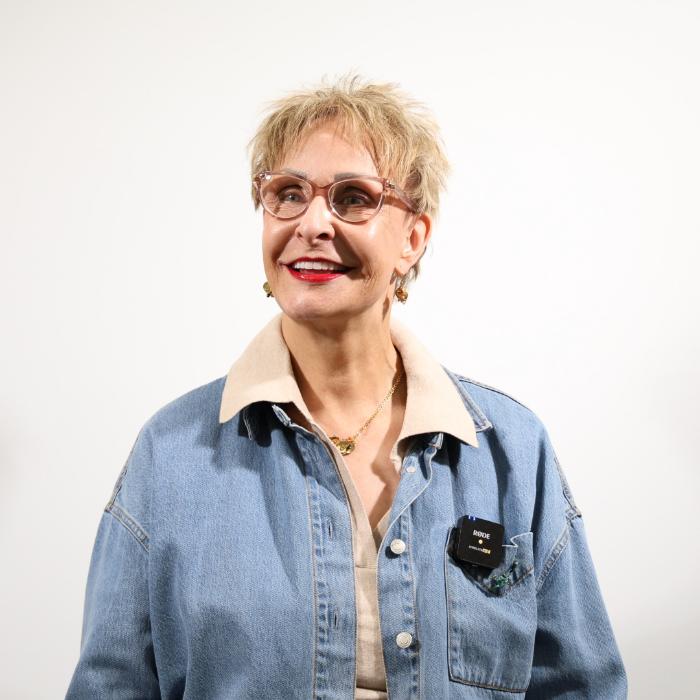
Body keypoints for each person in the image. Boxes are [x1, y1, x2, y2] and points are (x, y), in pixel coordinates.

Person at [66, 74, 627, 699]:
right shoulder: (171, 456)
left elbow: (580, 686)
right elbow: (109, 687)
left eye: (353, 198)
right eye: (287, 194)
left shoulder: (513, 451)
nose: (311, 224)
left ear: (413, 238)